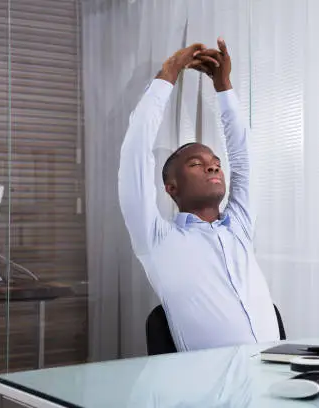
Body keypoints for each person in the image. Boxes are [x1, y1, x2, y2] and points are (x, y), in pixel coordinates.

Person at [118, 38, 279, 351]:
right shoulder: (157, 239)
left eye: (216, 164)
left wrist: (224, 87)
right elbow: (134, 156)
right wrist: (168, 74)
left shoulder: (239, 229)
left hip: (277, 382)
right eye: (197, 164)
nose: (213, 168)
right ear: (171, 187)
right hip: (211, 391)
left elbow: (244, 158)